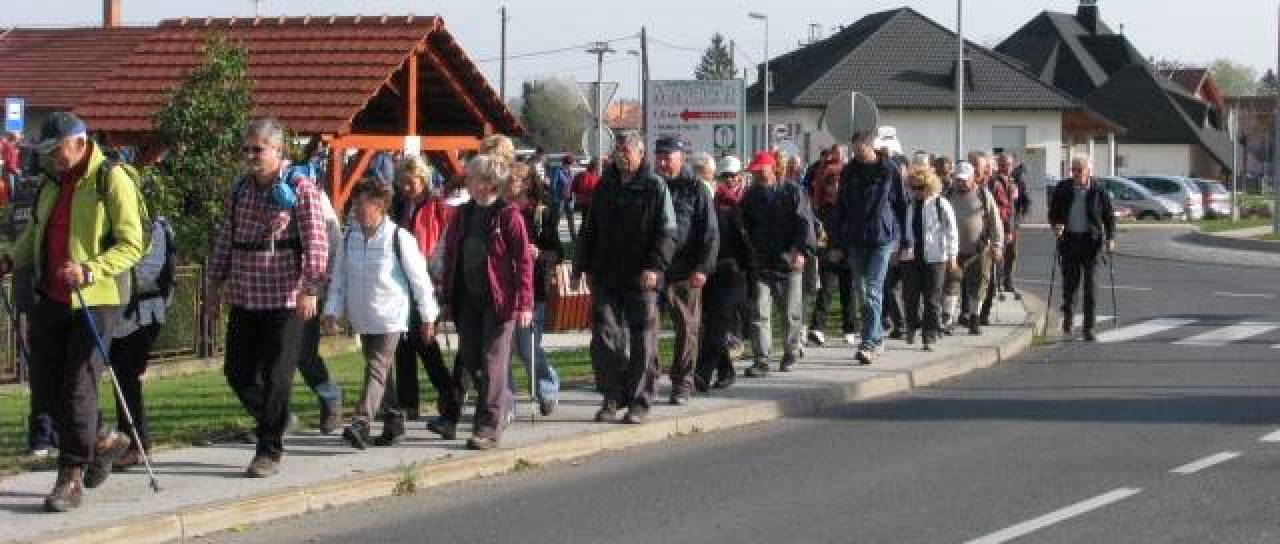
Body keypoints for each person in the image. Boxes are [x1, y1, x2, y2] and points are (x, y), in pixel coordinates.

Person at [0, 112, 147, 511]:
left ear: (80, 143)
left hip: (96, 296)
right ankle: (102, 440)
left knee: (79, 385)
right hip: (52, 295)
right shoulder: (51, 181)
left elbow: (133, 244)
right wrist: (11, 259)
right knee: (45, 387)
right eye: (45, 150)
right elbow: (37, 231)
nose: (50, 156)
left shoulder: (111, 178)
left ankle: (70, 476)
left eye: (56, 149)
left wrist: (90, 269)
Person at [206, 118, 328, 479]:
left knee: (277, 376)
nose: (250, 155)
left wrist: (311, 288)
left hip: (286, 298)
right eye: (246, 149)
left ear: (278, 149)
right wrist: (213, 284)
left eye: (257, 149)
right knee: (238, 371)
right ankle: (276, 418)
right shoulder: (241, 189)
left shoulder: (301, 188)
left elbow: (316, 241)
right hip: (245, 295)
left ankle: (269, 450)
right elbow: (226, 239)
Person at [324, 180, 439, 449]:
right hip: (363, 318)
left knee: (376, 367)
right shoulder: (349, 238)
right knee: (381, 371)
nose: (356, 209)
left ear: (380, 206)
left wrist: (428, 317)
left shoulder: (399, 238)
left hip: (391, 316)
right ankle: (394, 421)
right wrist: (331, 310)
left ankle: (361, 422)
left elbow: (420, 280)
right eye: (355, 204)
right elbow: (339, 278)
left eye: (362, 204)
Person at [574, 130, 676, 424]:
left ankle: (640, 400)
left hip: (642, 276)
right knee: (604, 337)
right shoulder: (604, 185)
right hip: (606, 274)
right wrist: (582, 266)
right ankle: (613, 394)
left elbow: (667, 232)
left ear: (640, 153)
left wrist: (655, 267)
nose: (621, 155)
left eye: (626, 150)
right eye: (618, 150)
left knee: (643, 338)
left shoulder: (655, 186)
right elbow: (590, 229)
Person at [438, 154, 533, 450]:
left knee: (493, 362)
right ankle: (501, 403)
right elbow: (451, 257)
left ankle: (488, 427)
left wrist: (525, 304)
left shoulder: (508, 216)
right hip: (467, 299)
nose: (467, 181)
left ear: (489, 183)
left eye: (473, 177)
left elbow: (524, 262)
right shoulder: (463, 214)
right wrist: (446, 298)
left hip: (499, 301)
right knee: (471, 360)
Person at [828, 133, 912, 365]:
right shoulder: (849, 171)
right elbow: (841, 207)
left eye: (860, 150)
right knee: (862, 290)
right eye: (854, 150)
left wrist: (905, 240)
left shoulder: (888, 169)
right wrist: (836, 242)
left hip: (882, 238)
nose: (856, 154)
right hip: (856, 238)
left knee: (873, 290)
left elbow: (901, 204)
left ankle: (868, 343)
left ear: (870, 146)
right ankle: (876, 337)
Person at [388, 156, 455, 424]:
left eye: (411, 182)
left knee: (424, 341)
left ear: (423, 179)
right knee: (403, 343)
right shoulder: (396, 206)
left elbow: (446, 241)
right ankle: (409, 403)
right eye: (402, 183)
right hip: (400, 281)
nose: (406, 188)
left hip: (427, 278)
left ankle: (448, 393)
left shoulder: (438, 206)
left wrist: (440, 277)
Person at [653, 138, 719, 405]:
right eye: (659, 157)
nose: (662, 163)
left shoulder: (696, 189)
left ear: (681, 158)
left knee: (687, 329)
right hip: (654, 271)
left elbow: (710, 232)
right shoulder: (651, 187)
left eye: (667, 157)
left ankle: (682, 384)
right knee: (647, 329)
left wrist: (703, 267)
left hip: (685, 272)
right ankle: (649, 381)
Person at [106, 215, 175, 470]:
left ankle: (137, 445)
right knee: (120, 377)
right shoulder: (113, 225)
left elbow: (149, 272)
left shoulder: (154, 227)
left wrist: (109, 271)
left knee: (126, 375)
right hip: (118, 313)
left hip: (144, 313)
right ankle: (129, 441)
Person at [739, 151, 814, 376]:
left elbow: (805, 223)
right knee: (759, 313)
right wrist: (747, 255)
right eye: (754, 172)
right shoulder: (751, 196)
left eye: (760, 170)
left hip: (788, 261)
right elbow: (744, 227)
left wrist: (801, 251)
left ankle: (790, 352)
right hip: (761, 263)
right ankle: (761, 359)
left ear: (772, 168)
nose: (757, 175)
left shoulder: (793, 192)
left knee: (790, 313)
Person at [505, 161, 562, 416]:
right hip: (504, 287)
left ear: (527, 186)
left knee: (527, 346)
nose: (510, 190)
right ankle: (506, 401)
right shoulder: (501, 211)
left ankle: (547, 385)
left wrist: (539, 254)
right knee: (503, 349)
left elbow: (557, 252)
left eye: (515, 184)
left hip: (533, 288)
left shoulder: (541, 213)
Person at [695, 155, 755, 391]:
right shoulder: (710, 202)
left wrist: (752, 278)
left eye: (733, 175)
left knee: (717, 324)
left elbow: (748, 245)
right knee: (710, 324)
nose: (729, 180)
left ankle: (702, 374)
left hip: (734, 272)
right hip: (708, 272)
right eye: (725, 176)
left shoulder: (742, 203)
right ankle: (726, 370)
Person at [294, 184, 344, 435]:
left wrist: (326, 290)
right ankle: (272, 416)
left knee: (305, 355)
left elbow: (332, 243)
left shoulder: (312, 196)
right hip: (272, 291)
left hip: (306, 291)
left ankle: (331, 399)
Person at [1049, 156, 1115, 342]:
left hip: (1092, 243)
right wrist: (1056, 225)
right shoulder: (1063, 188)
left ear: (1088, 171)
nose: (1075, 173)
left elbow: (1109, 216)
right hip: (1069, 241)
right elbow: (1053, 213)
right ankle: (1068, 319)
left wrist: (1110, 238)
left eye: (1079, 170)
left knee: (1091, 287)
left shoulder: (1098, 190)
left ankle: (1089, 327)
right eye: (1073, 170)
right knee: (1070, 285)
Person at [942, 161, 1003, 336]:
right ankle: (947, 320)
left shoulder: (984, 195)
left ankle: (974, 319)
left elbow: (995, 221)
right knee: (952, 282)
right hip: (953, 250)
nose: (960, 183)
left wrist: (997, 245)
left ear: (972, 178)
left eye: (963, 180)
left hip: (979, 249)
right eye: (957, 180)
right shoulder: (947, 195)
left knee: (979, 284)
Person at [901, 168, 958, 352]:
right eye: (913, 187)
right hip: (911, 257)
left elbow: (951, 231)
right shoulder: (909, 205)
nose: (916, 191)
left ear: (929, 186)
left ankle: (929, 335)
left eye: (920, 187)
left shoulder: (941, 204)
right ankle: (912, 325)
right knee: (910, 297)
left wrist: (952, 256)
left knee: (932, 299)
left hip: (936, 258)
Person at [807, 144, 858, 346]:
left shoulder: (851, 208)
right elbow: (820, 234)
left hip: (847, 254)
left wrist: (843, 250)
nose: (834, 187)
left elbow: (853, 231)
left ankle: (850, 328)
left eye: (838, 183)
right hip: (828, 254)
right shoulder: (823, 209)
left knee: (848, 291)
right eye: (831, 184)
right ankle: (817, 328)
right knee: (826, 289)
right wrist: (828, 251)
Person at [972, 152, 1009, 326]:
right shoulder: (965, 185)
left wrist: (999, 239)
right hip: (971, 241)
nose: (978, 170)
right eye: (974, 166)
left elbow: (1004, 209)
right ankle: (969, 313)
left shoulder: (994, 185)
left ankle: (983, 313)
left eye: (978, 166)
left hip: (989, 239)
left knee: (988, 279)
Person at [997, 152, 1031, 299]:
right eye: (1002, 165)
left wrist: (1019, 219)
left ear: (1013, 165)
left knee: (1012, 254)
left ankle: (1008, 281)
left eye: (1008, 165)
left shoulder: (1018, 181)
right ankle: (997, 283)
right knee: (999, 254)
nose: (1005, 167)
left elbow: (1026, 202)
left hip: (1013, 224)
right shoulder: (995, 181)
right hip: (998, 225)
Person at [570, 160, 601, 228]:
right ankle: (584, 232)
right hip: (591, 201)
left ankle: (583, 232)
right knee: (588, 220)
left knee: (584, 218)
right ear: (595, 168)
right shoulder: (596, 177)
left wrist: (574, 195)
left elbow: (573, 186)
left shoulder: (580, 175)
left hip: (581, 200)